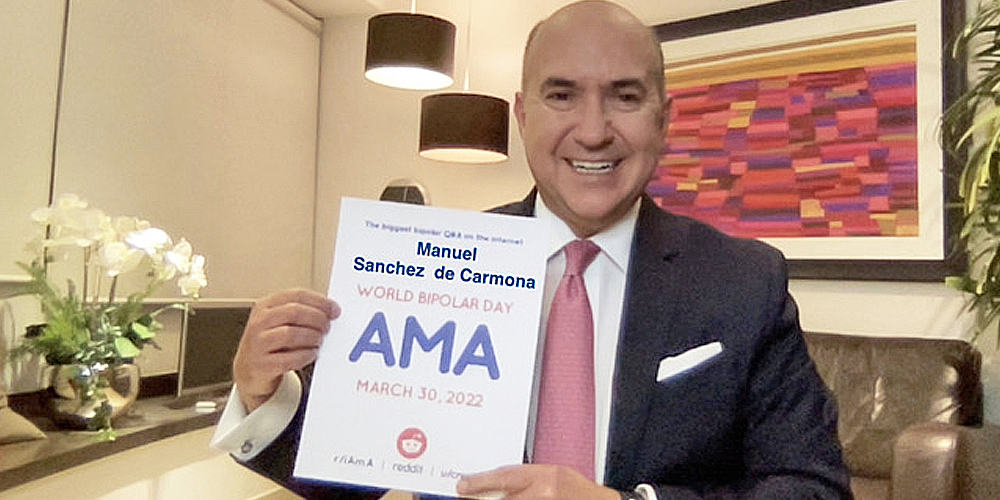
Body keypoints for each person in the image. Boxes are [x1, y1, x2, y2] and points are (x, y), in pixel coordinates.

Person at [211, 2, 852, 499]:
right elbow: (343, 479)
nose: (594, 130)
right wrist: (261, 393)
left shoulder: (745, 283)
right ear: (523, 114)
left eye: (625, 97)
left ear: (664, 118)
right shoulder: (437, 270)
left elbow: (812, 487)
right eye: (562, 94)